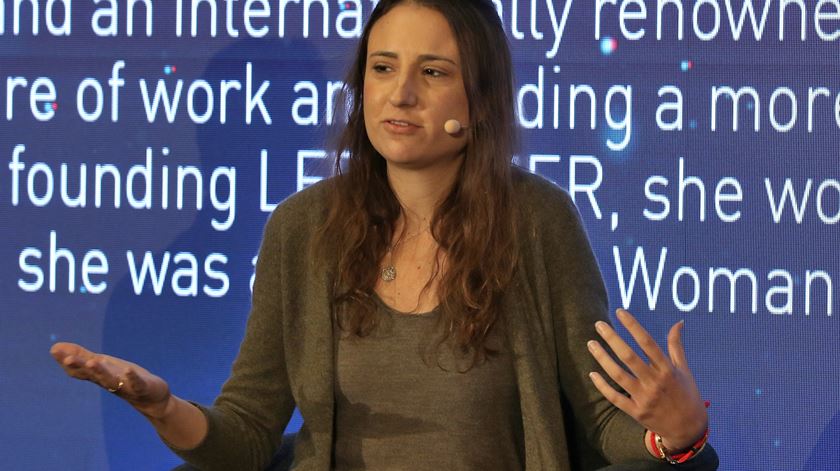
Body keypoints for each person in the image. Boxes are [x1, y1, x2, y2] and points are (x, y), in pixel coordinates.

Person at [50, 1, 717, 469]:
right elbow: (249, 434)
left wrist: (676, 436)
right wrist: (165, 408)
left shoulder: (537, 220)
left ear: (477, 102)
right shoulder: (301, 228)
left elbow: (599, 427)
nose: (399, 95)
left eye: (432, 73)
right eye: (382, 67)